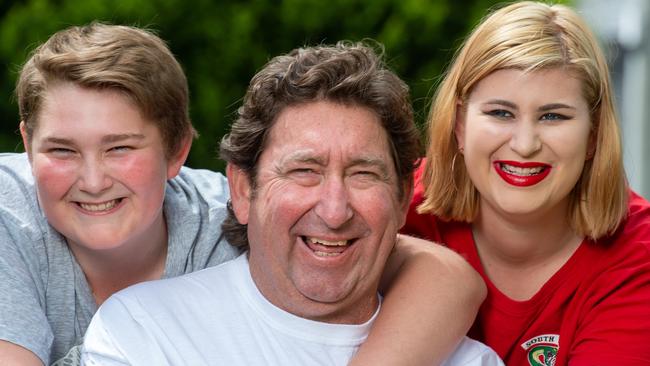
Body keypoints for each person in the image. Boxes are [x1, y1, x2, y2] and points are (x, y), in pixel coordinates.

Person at [0, 23, 486, 366]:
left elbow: (442, 274)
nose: (93, 179)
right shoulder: (9, 215)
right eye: (62, 150)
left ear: (177, 153)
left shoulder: (227, 220)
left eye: (121, 148)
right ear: (26, 143)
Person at [402, 1, 650, 365]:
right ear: (459, 125)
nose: (525, 144)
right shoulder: (393, 205)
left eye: (553, 116)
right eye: (500, 113)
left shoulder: (638, 259)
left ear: (593, 136)